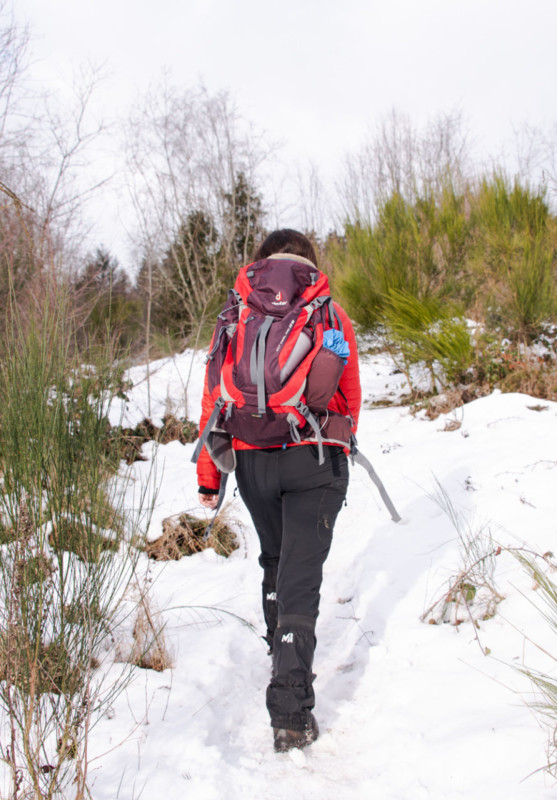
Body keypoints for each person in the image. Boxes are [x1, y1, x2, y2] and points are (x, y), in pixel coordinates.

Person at [195, 229, 361, 753]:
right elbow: (349, 395)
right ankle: (290, 714)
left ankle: (279, 653)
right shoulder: (328, 312)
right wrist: (337, 442)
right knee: (300, 576)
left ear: (261, 263)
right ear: (309, 264)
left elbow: (213, 397)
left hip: (252, 460)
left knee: (274, 558)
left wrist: (209, 475)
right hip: (312, 457)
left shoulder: (238, 312)